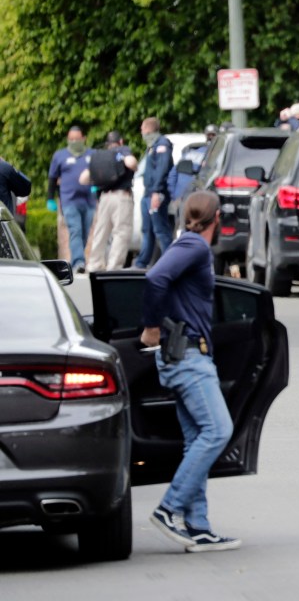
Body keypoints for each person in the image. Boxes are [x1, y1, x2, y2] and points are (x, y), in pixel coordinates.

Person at [140, 190, 241, 552]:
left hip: (181, 356)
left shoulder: (186, 246)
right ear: (217, 219)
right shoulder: (195, 247)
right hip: (189, 359)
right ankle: (170, 508)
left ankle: (198, 526)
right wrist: (151, 327)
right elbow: (155, 279)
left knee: (196, 437)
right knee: (218, 430)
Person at [86, 132, 138, 272]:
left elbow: (84, 178)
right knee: (121, 232)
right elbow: (131, 163)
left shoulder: (101, 156)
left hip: (104, 198)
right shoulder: (123, 150)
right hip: (121, 197)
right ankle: (113, 267)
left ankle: (94, 264)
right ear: (121, 141)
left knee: (100, 232)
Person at [47, 126, 95, 274]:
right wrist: (50, 198)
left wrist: (97, 187)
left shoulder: (92, 154)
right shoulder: (60, 156)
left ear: (83, 138)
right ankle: (78, 262)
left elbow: (100, 173)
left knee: (84, 233)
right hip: (69, 201)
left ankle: (78, 258)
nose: (74, 142)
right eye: (71, 139)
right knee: (75, 230)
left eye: (77, 139)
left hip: (89, 201)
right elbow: (53, 178)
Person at [133, 117, 174, 269]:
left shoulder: (162, 145)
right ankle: (142, 262)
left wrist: (156, 191)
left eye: (143, 129)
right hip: (148, 193)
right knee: (147, 229)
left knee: (160, 229)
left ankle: (170, 262)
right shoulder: (152, 146)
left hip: (156, 193)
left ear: (148, 130)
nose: (141, 132)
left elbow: (162, 169)